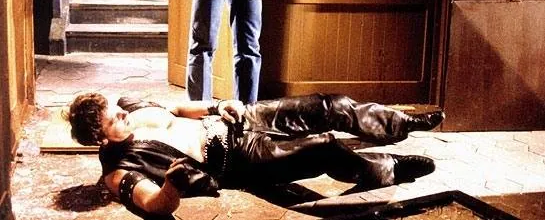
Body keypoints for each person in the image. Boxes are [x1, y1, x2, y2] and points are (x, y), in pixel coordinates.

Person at [67, 92, 445, 217]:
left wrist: (217, 105)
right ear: (101, 139)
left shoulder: (132, 108)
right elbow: (153, 205)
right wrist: (172, 184)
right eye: (113, 120)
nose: (122, 114)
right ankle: (384, 170)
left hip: (241, 119)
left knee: (329, 106)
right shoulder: (119, 171)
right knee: (324, 146)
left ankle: (400, 123)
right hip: (237, 156)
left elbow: (179, 109)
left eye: (116, 109)